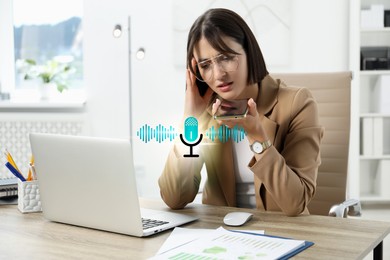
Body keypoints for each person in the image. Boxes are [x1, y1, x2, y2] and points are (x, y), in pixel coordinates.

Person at [158, 8, 323, 216]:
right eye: (205, 65)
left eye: (226, 57)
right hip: (220, 234)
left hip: (282, 235)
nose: (218, 74)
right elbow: (174, 197)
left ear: (248, 51)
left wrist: (257, 138)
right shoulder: (207, 113)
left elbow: (295, 203)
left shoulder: (298, 104)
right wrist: (190, 119)